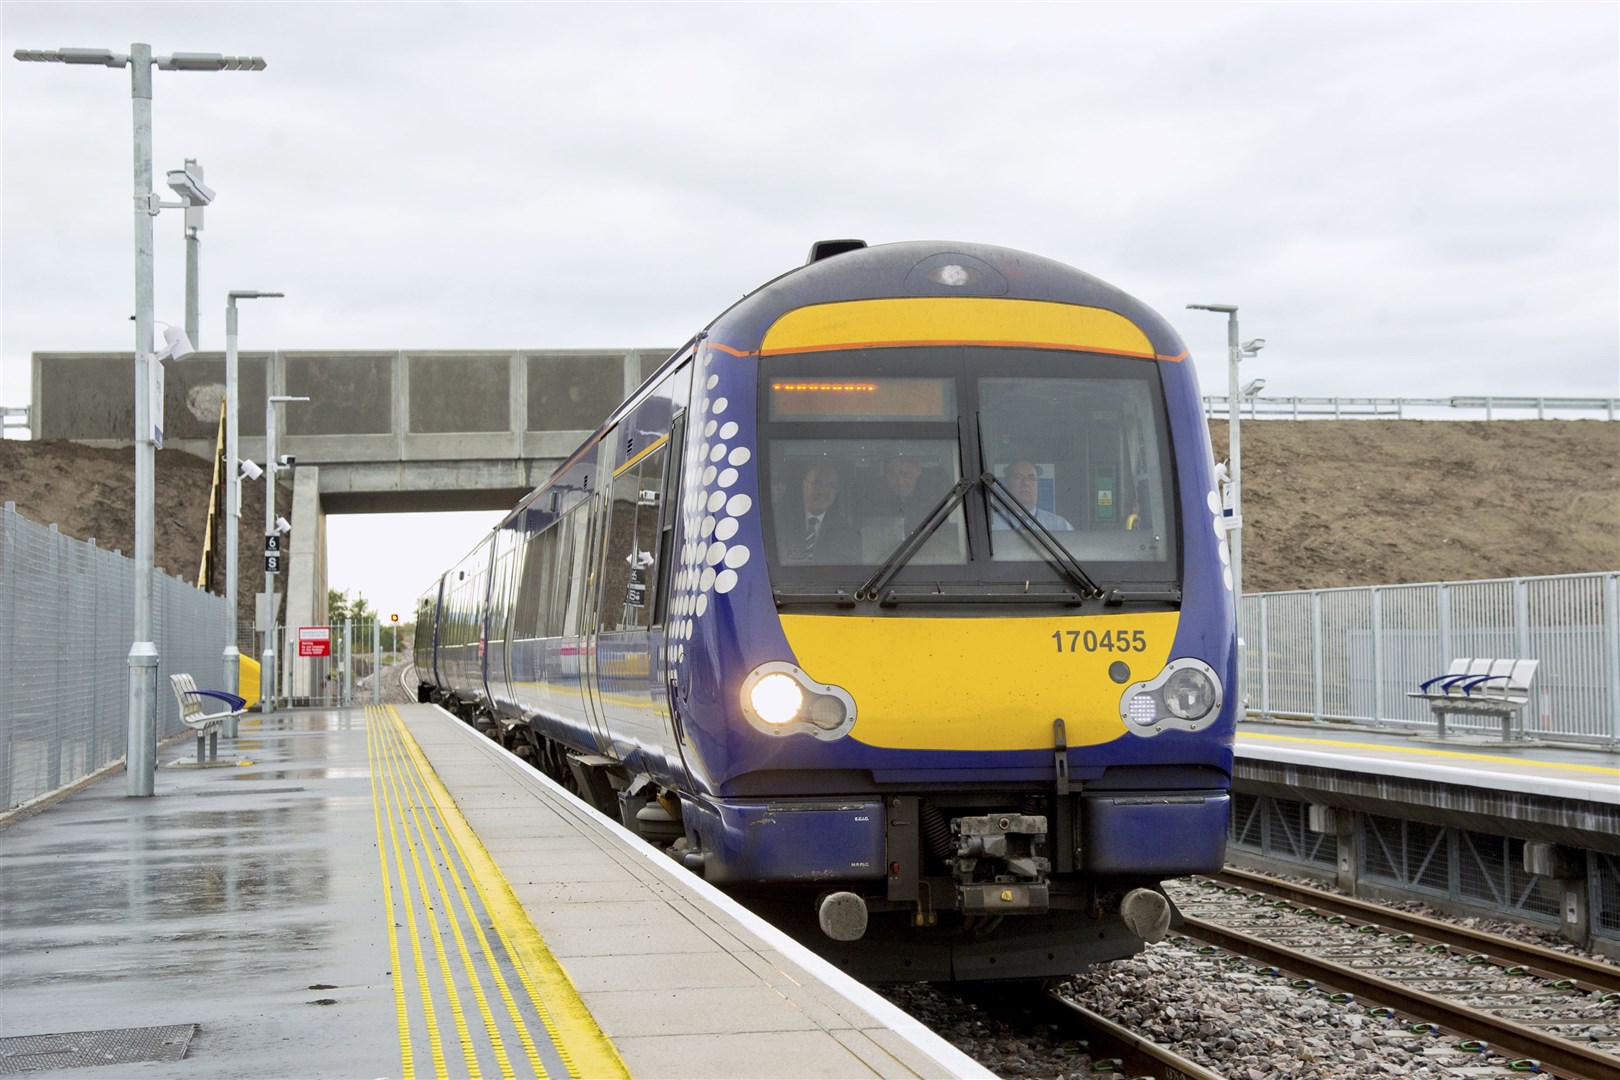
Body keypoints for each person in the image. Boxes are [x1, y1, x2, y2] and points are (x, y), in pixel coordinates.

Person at [791, 461, 858, 563]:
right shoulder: (781, 523)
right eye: (817, 483)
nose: (823, 491)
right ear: (804, 486)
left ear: (835, 492)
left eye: (830, 485)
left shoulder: (846, 532)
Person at [994, 461, 1072, 530]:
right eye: (1018, 477)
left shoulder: (1059, 526)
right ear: (1007, 485)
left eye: (1031, 478)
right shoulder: (992, 525)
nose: (1026, 483)